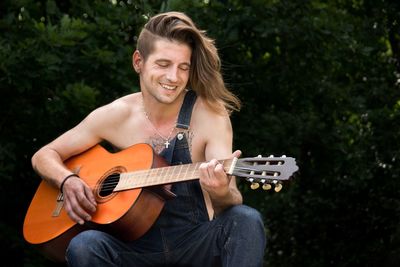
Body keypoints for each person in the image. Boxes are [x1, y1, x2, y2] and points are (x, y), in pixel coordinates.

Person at [31, 11, 266, 267]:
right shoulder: (115, 116)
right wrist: (68, 180)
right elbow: (44, 155)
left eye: (183, 67)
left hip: (193, 245)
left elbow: (230, 200)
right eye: (163, 64)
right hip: (132, 251)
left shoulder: (211, 115)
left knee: (245, 219)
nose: (173, 77)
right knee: (84, 245)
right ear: (138, 62)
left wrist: (221, 192)